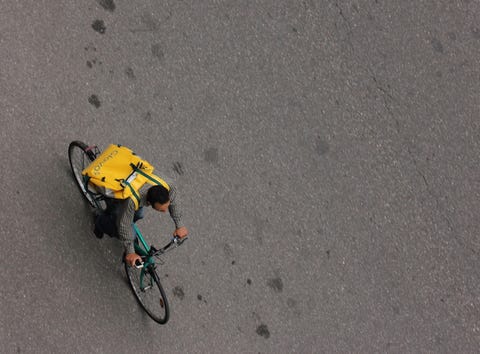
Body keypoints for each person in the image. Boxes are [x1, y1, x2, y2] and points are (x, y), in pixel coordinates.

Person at [93, 179, 188, 266]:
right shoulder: (132, 201)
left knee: (139, 215)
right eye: (161, 210)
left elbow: (174, 200)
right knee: (121, 230)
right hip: (121, 194)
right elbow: (124, 226)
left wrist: (179, 224)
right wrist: (130, 252)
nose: (165, 211)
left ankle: (121, 218)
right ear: (149, 203)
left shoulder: (168, 186)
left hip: (135, 188)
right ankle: (99, 220)